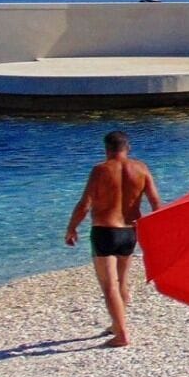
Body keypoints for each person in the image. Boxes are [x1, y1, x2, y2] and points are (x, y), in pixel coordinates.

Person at [65, 130, 162, 347]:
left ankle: (122, 335)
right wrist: (157, 230)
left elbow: (85, 204)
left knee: (109, 286)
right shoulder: (141, 169)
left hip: (105, 231)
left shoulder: (100, 170)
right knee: (122, 281)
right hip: (130, 232)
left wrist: (71, 228)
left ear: (107, 149)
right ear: (127, 148)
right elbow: (155, 202)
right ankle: (116, 325)